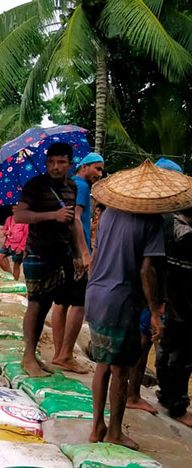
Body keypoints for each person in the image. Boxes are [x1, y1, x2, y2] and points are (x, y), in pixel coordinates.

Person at [86, 160, 181, 448]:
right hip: (121, 300)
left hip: (97, 294)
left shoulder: (109, 214)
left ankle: (97, 427)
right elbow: (146, 271)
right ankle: (115, 432)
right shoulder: (150, 223)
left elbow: (98, 251)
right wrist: (154, 311)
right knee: (121, 370)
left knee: (103, 364)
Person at [13, 142, 81, 378]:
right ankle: (28, 356)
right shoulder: (35, 185)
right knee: (35, 304)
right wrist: (53, 215)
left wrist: (79, 254)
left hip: (61, 255)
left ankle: (34, 355)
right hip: (37, 253)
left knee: (46, 307)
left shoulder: (72, 187)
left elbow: (72, 223)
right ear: (45, 163)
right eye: (51, 162)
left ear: (70, 165)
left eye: (61, 162)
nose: (55, 167)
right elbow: (20, 215)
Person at [127, 159, 186, 413]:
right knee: (149, 341)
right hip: (156, 289)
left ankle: (136, 392)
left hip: (142, 287)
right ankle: (136, 394)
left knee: (148, 341)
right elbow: (151, 265)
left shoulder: (138, 210)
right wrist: (156, 305)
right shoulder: (164, 217)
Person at [52, 152, 104, 374]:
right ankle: (64, 355)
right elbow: (75, 219)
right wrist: (84, 253)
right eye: (97, 169)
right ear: (84, 167)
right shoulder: (81, 186)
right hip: (74, 251)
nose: (100, 174)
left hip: (63, 248)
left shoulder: (69, 184)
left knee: (61, 302)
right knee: (79, 303)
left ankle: (59, 353)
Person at [156, 205, 192, 428]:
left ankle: (166, 393)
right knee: (182, 355)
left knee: (166, 348)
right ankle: (177, 405)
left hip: (168, 295)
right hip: (184, 300)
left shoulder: (165, 221)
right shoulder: (186, 234)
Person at [0, 213, 29, 280]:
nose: (14, 210)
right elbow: (4, 229)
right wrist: (6, 232)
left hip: (19, 245)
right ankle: (10, 275)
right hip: (8, 243)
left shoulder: (25, 220)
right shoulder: (9, 219)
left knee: (16, 264)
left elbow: (26, 235)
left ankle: (15, 281)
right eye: (13, 209)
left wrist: (21, 247)